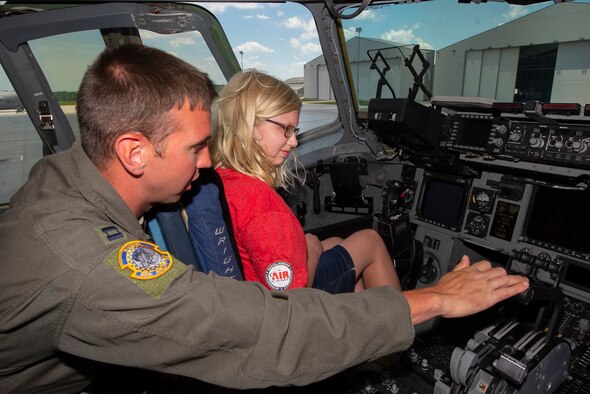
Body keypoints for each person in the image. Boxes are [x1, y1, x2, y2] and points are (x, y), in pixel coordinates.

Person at [0, 44, 529, 394]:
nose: (208, 164)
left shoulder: (61, 176)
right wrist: (434, 297)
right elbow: (270, 325)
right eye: (195, 148)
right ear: (135, 152)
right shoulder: (88, 264)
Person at [209, 70, 401, 293]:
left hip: (251, 286)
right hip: (286, 303)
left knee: (337, 242)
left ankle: (355, 321)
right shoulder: (262, 206)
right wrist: (312, 250)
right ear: (250, 125)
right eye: (286, 129)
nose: (293, 142)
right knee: (370, 241)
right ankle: (395, 321)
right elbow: (289, 299)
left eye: (295, 130)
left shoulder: (221, 177)